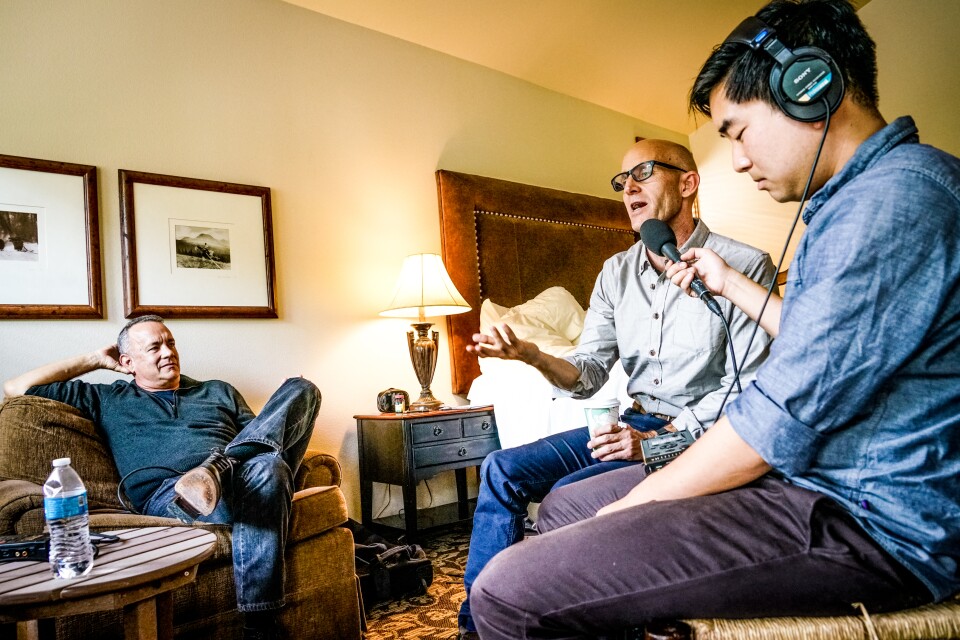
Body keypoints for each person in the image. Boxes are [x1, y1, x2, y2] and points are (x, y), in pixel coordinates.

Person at [467, 1, 960, 638]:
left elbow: (772, 416)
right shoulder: (854, 204)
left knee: (507, 589)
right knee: (565, 503)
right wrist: (729, 288)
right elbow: (825, 342)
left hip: (868, 515)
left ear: (808, 88)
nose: (739, 158)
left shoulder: (891, 202)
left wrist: (632, 504)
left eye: (737, 130)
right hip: (817, 477)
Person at [456, 138, 777, 638]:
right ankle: (476, 630)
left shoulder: (744, 265)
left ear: (688, 183)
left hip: (696, 434)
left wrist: (656, 442)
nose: (627, 188)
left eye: (643, 173)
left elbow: (742, 387)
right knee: (501, 468)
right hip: (631, 421)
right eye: (621, 180)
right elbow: (587, 374)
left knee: (566, 497)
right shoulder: (615, 272)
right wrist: (534, 355)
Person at [2, 315, 319, 640]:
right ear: (127, 361)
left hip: (241, 481)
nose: (168, 352)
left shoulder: (218, 391)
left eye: (170, 343)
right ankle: (261, 626)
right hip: (174, 498)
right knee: (270, 470)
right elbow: (15, 388)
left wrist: (230, 464)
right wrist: (94, 359)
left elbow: (265, 443)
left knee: (300, 392)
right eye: (154, 347)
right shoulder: (108, 398)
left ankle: (217, 468)